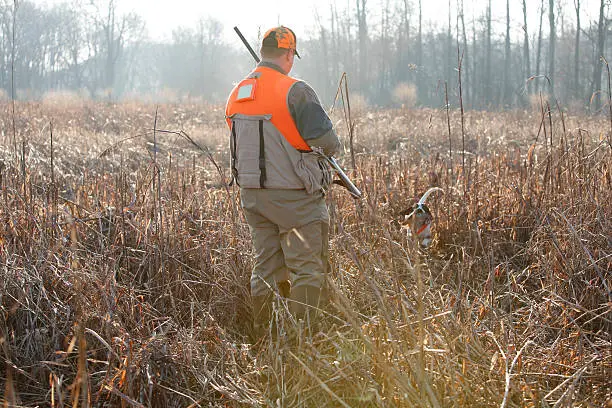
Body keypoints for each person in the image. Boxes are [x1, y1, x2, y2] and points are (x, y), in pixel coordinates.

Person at [225, 26, 341, 338]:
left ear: (263, 52)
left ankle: (264, 334)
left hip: (252, 196)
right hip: (294, 197)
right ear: (289, 54)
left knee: (265, 267)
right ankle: (301, 341)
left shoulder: (237, 94)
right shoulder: (296, 90)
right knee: (307, 269)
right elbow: (328, 142)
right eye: (293, 56)